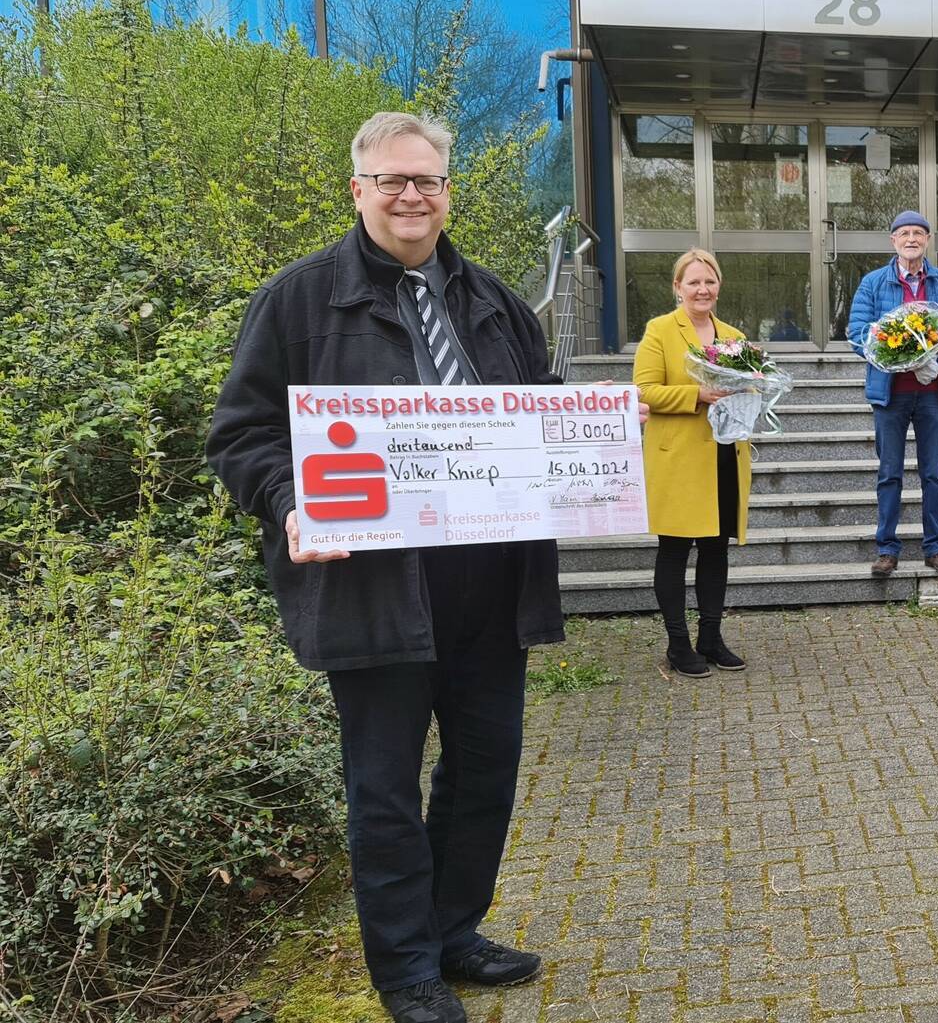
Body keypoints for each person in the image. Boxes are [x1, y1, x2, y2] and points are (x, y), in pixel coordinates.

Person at [207, 112, 597, 1023]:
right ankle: (405, 969)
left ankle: (454, 928)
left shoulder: (494, 299)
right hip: (375, 589)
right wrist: (291, 503)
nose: (412, 195)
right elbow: (241, 435)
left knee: (486, 767)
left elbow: (531, 415)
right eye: (392, 181)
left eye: (426, 180)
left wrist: (600, 438)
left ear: (447, 188)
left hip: (491, 584)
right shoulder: (298, 300)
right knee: (383, 784)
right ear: (359, 189)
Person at [635, 248, 752, 679]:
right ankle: (678, 643)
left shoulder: (734, 335)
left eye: (710, 281)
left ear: (718, 285)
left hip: (724, 453)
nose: (703, 289)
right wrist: (696, 396)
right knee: (675, 550)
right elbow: (644, 390)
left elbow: (745, 389)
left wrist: (753, 392)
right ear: (677, 288)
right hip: (679, 459)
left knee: (716, 549)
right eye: (694, 282)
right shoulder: (661, 330)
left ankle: (711, 637)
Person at [845, 210, 938, 577]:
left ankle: (935, 548)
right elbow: (857, 333)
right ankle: (887, 549)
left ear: (928, 240)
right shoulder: (872, 283)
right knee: (889, 473)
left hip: (933, 393)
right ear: (893, 241)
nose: (911, 239)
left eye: (918, 233)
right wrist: (896, 352)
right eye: (904, 233)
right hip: (890, 394)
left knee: (932, 473)